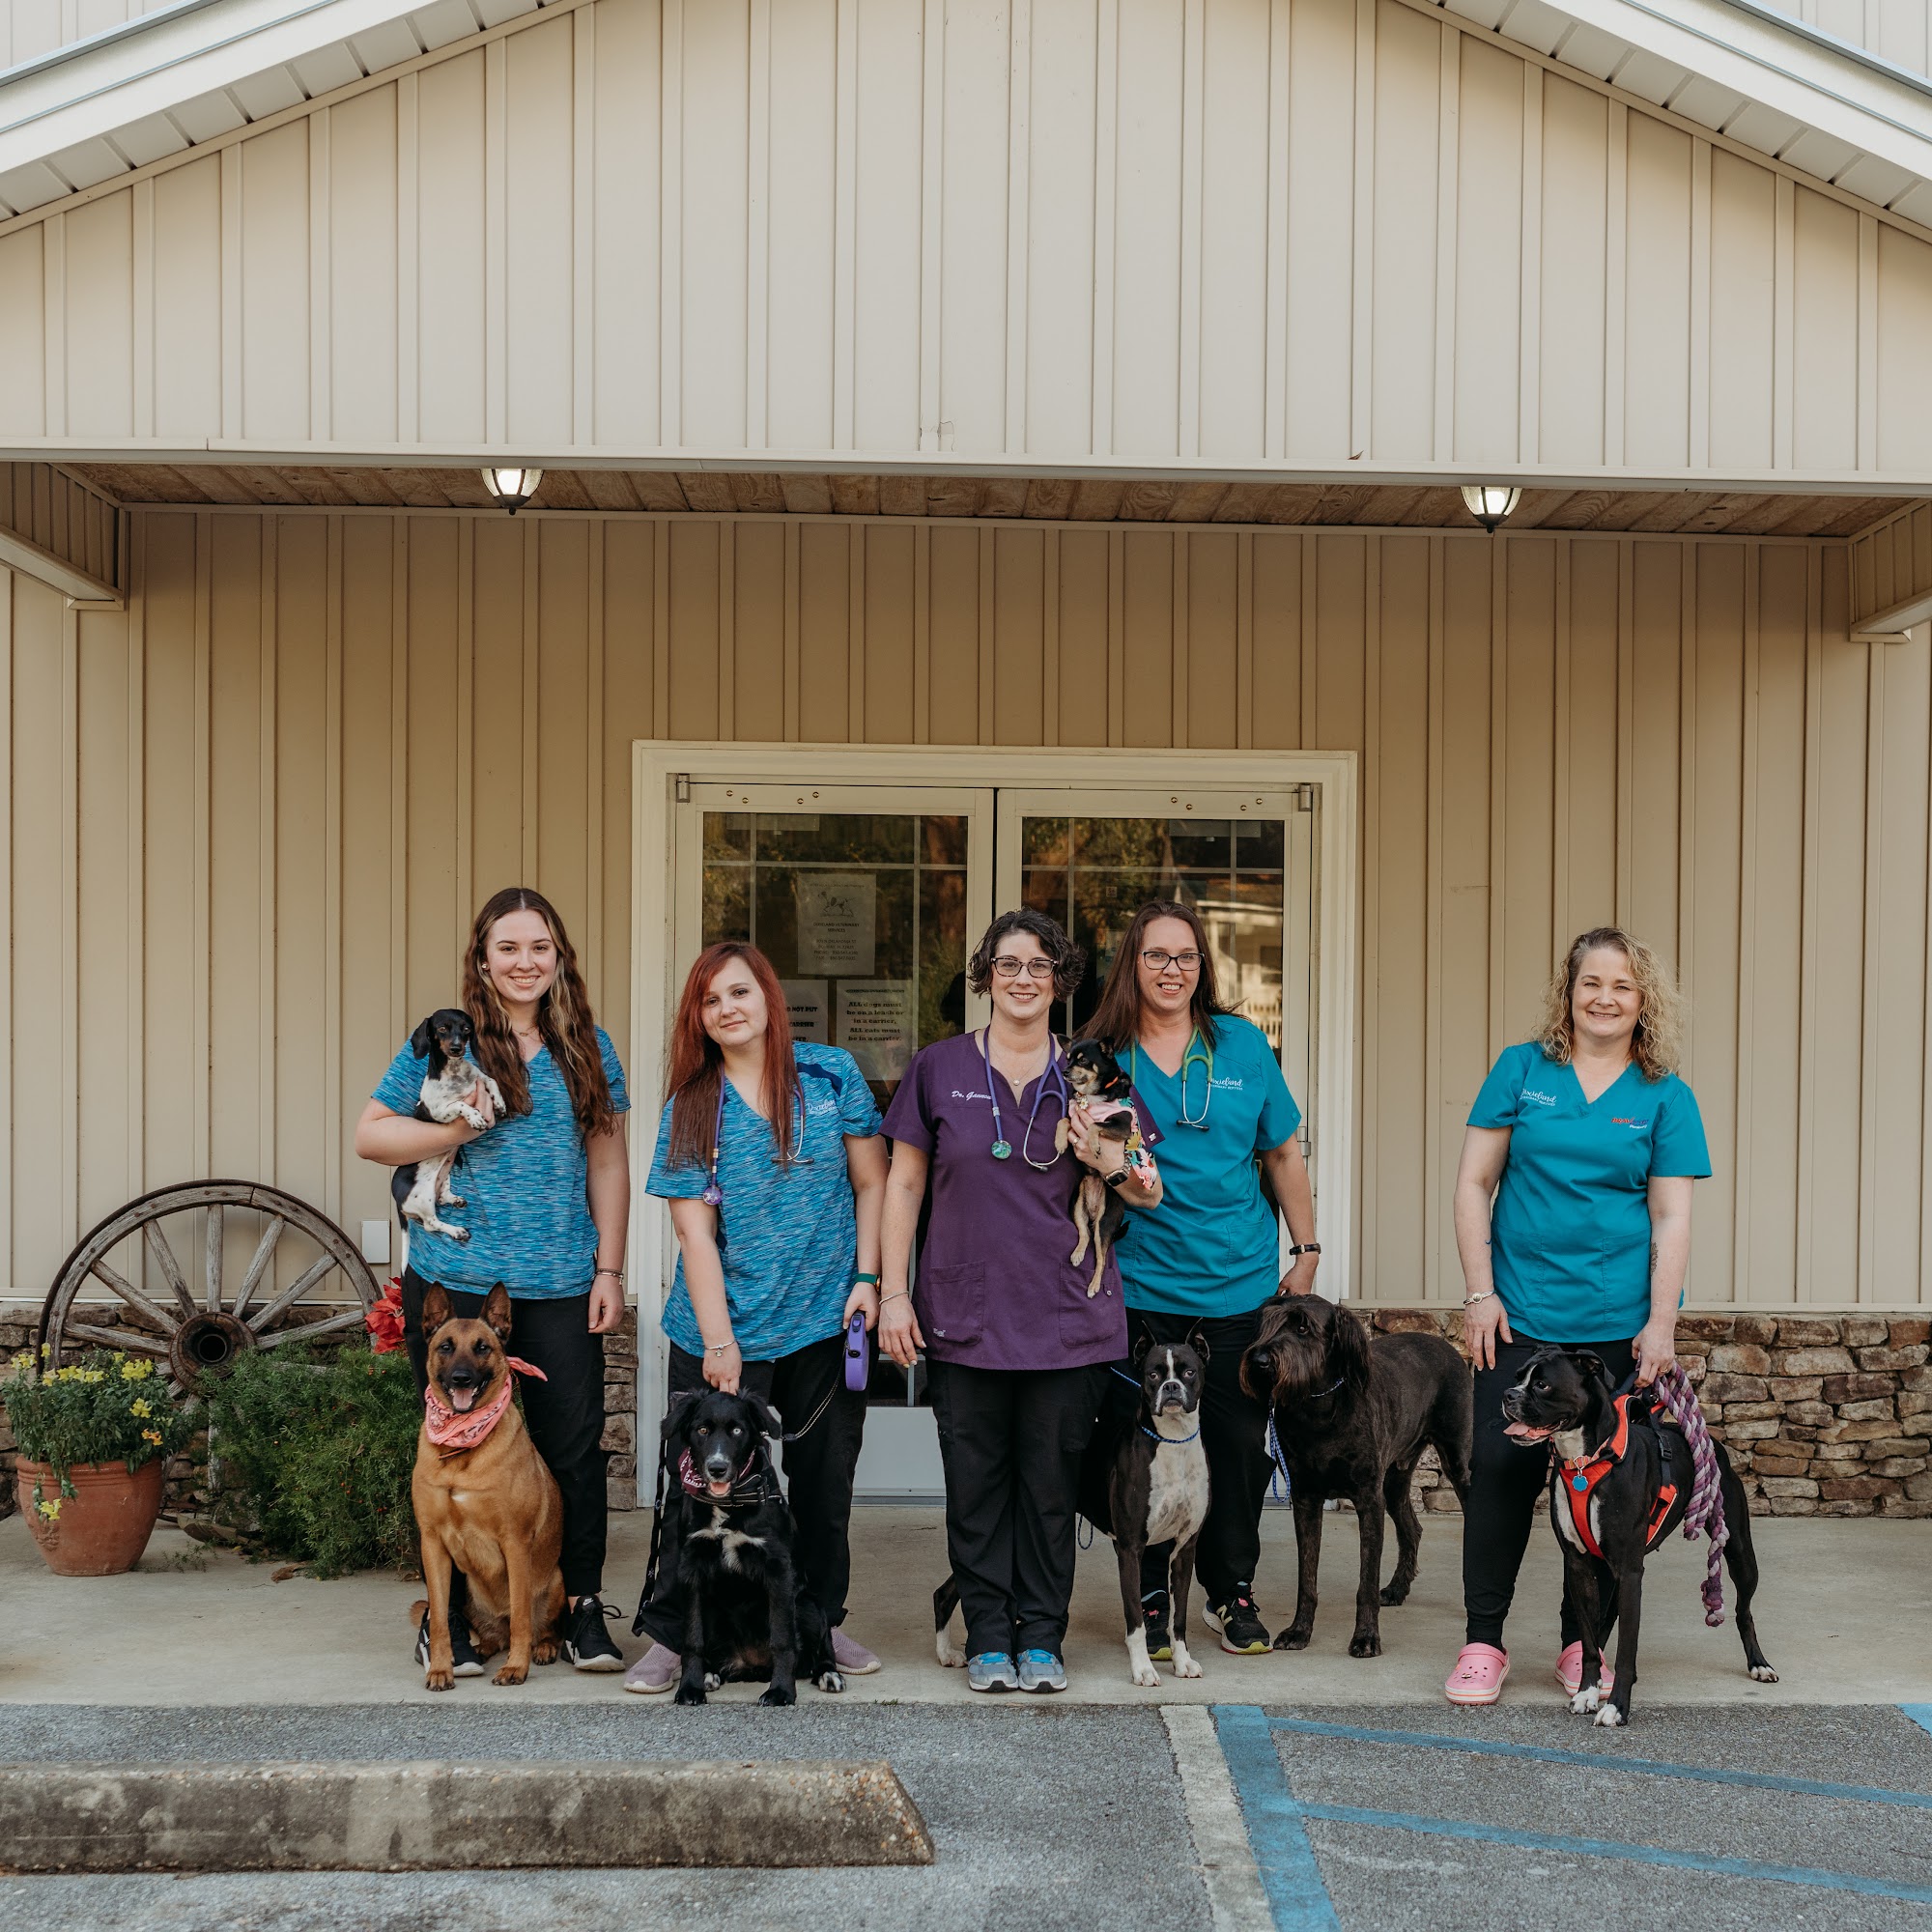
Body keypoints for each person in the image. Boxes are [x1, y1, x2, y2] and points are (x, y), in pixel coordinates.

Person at [879, 907, 1164, 1693]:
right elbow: (904, 1184)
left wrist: (1102, 1156)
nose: (1023, 979)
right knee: (977, 1489)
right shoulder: (938, 1068)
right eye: (1008, 964)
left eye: (1040, 965)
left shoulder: (1092, 1073)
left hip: (1067, 1319)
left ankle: (1041, 1638)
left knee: (1048, 1490)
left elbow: (1149, 1188)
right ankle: (987, 1636)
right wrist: (894, 1291)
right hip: (964, 1313)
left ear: (1061, 980)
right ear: (985, 976)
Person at [355, 885, 632, 1676]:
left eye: (539, 947)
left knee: (573, 1451)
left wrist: (609, 1268)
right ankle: (445, 1621)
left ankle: (579, 1611)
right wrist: (457, 1125)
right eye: (507, 948)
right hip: (457, 1284)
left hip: (560, 1278)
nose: (524, 962)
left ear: (559, 958)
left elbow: (607, 1162)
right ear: (482, 959)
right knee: (449, 1448)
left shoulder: (589, 1047)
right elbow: (371, 1135)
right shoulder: (446, 1045)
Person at [1444, 925, 1709, 1707]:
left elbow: (1671, 1217)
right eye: (1591, 982)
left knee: (1605, 1489)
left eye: (1622, 985)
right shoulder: (1521, 1070)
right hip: (1518, 1320)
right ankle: (1483, 1643)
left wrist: (1660, 1323)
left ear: (1643, 1000)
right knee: (1500, 1473)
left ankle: (1581, 1645)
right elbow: (1473, 1184)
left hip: (1616, 1332)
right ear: (1569, 992)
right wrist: (1479, 1292)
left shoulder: (1665, 1096)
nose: (1605, 998)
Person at [627, 942, 889, 1693]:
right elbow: (693, 1233)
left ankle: (817, 1623)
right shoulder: (692, 1105)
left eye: (739, 992)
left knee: (823, 1488)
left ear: (769, 996)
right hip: (723, 1328)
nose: (727, 1009)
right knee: (696, 1491)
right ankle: (674, 1635)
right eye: (710, 1000)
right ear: (698, 1018)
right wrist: (720, 1342)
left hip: (825, 1322)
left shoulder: (830, 1073)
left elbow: (873, 1182)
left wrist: (868, 1278)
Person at [1089, 898, 1319, 1659]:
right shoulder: (1105, 1055)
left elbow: (1281, 1152)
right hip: (1142, 1286)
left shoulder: (1242, 1045)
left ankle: (1230, 1591)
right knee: (1142, 1454)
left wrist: (1306, 1249)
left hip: (1236, 1285)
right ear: (1132, 963)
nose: (1171, 969)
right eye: (1156, 955)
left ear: (1202, 966)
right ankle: (1154, 1597)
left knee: (1238, 1448)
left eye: (1185, 956)